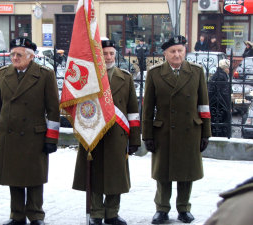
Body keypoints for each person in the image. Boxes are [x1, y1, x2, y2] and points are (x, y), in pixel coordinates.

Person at [0, 37, 60, 225]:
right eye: (12, 54)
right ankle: (17, 215)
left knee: (35, 177)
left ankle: (36, 214)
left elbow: (53, 109)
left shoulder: (45, 75)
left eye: (18, 54)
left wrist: (51, 138)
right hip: (8, 133)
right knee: (14, 175)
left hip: (34, 135)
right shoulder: (4, 74)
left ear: (30, 56)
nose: (14, 58)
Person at [142, 35, 211, 224]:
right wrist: (147, 135)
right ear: (165, 54)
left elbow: (204, 105)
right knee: (163, 173)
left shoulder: (196, 72)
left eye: (180, 50)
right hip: (163, 132)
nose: (177, 54)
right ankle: (162, 209)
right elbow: (148, 107)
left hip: (190, 130)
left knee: (186, 172)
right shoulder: (155, 73)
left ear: (185, 52)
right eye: (172, 51)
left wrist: (206, 133)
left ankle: (184, 208)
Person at [72, 39, 141, 225]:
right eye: (104, 53)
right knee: (94, 174)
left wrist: (134, 138)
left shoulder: (125, 78)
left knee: (115, 175)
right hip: (93, 133)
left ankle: (112, 213)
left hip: (117, 135)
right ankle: (96, 212)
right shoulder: (87, 77)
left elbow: (133, 111)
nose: (108, 57)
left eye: (111, 53)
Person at [208, 59, 230, 137]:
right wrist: (228, 105)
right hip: (219, 106)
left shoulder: (218, 75)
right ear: (224, 68)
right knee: (220, 125)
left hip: (215, 104)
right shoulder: (221, 76)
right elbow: (223, 93)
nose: (229, 70)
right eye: (228, 68)